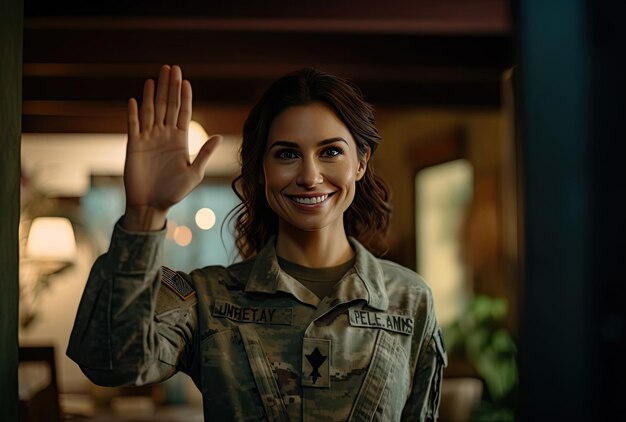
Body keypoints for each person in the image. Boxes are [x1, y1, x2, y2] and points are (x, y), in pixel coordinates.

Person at [67, 65, 447, 421]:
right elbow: (111, 362)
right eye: (287, 154)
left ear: (361, 162)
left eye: (330, 152)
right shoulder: (207, 298)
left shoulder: (409, 300)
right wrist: (144, 214)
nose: (310, 176)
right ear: (261, 169)